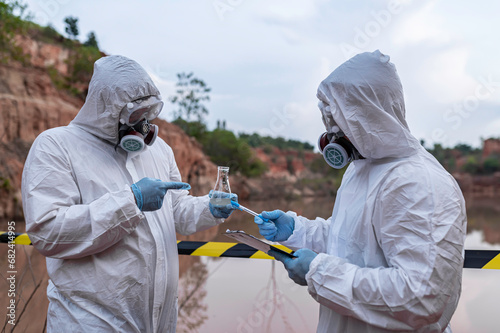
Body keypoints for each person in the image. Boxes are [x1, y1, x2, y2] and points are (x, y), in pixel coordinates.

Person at [255, 50, 467, 332]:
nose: (331, 133)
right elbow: (352, 242)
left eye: (336, 118)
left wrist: (319, 273)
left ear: (367, 114)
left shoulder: (419, 183)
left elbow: (422, 298)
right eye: (327, 119)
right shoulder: (361, 169)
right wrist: (298, 230)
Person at [21, 55, 236, 332]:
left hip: (157, 322)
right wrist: (131, 200)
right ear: (107, 108)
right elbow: (48, 232)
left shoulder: (159, 151)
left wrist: (209, 208)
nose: (143, 122)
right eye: (135, 114)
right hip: (89, 322)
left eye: (148, 112)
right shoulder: (56, 146)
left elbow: (175, 212)